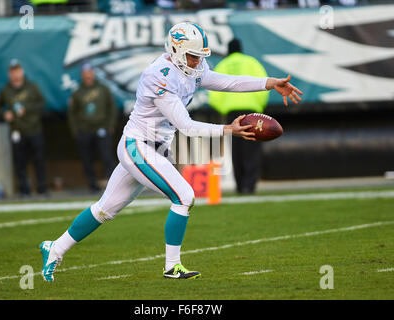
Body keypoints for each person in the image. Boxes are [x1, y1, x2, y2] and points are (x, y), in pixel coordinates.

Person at [39, 22, 302, 281]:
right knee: (184, 196)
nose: (197, 62)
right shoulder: (160, 74)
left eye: (200, 57)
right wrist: (227, 129)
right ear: (176, 50)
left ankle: (55, 247)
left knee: (104, 210)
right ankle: (172, 267)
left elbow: (227, 82)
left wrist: (270, 83)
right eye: (192, 55)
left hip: (153, 148)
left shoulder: (190, 67)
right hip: (138, 146)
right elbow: (185, 125)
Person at [209, 38, 269, 194]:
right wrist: (259, 106)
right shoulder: (252, 62)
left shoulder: (223, 65)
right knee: (252, 148)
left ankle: (240, 185)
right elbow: (264, 84)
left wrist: (224, 108)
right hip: (252, 110)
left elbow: (213, 93)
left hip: (232, 112)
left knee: (236, 150)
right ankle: (251, 184)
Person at [0, 59, 48, 197]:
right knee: (20, 162)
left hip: (34, 129)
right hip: (17, 130)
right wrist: (4, 113)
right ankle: (24, 190)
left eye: (17, 70)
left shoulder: (32, 86)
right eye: (12, 71)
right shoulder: (5, 90)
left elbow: (42, 104)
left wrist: (27, 109)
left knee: (39, 160)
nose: (15, 74)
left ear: (22, 71)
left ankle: (42, 188)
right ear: (9, 74)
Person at [68, 62, 117, 192]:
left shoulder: (103, 89)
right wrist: (75, 130)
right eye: (85, 73)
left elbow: (111, 107)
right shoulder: (78, 92)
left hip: (101, 128)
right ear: (82, 75)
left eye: (90, 72)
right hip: (84, 130)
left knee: (106, 155)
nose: (88, 75)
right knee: (87, 158)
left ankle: (112, 185)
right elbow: (72, 112)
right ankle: (92, 184)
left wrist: (110, 125)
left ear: (93, 73)